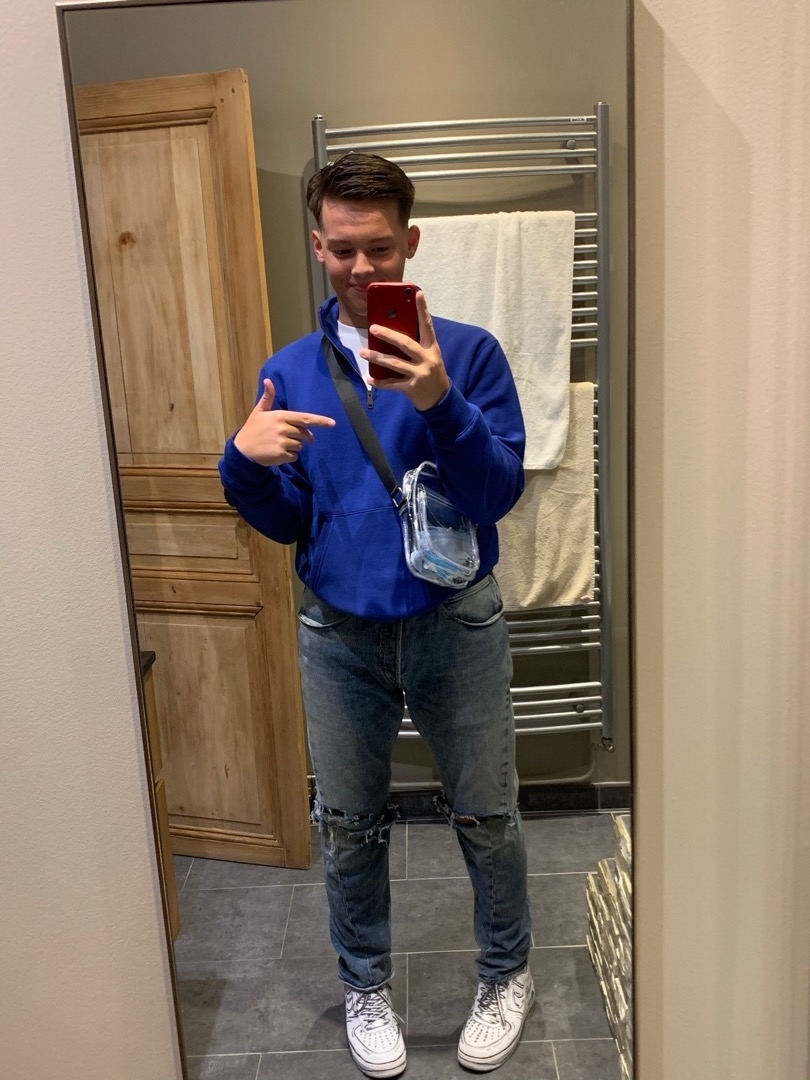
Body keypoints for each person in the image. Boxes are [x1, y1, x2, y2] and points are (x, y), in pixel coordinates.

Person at [218, 152, 533, 1078]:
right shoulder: (288, 371)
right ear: (318, 245)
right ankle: (365, 985)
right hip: (339, 635)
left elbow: (496, 493)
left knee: (487, 815)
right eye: (344, 249)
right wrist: (242, 462)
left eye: (381, 248)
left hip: (455, 621)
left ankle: (505, 973)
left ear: (412, 242)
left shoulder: (468, 354)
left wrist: (439, 402)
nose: (362, 268)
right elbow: (290, 522)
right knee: (348, 823)